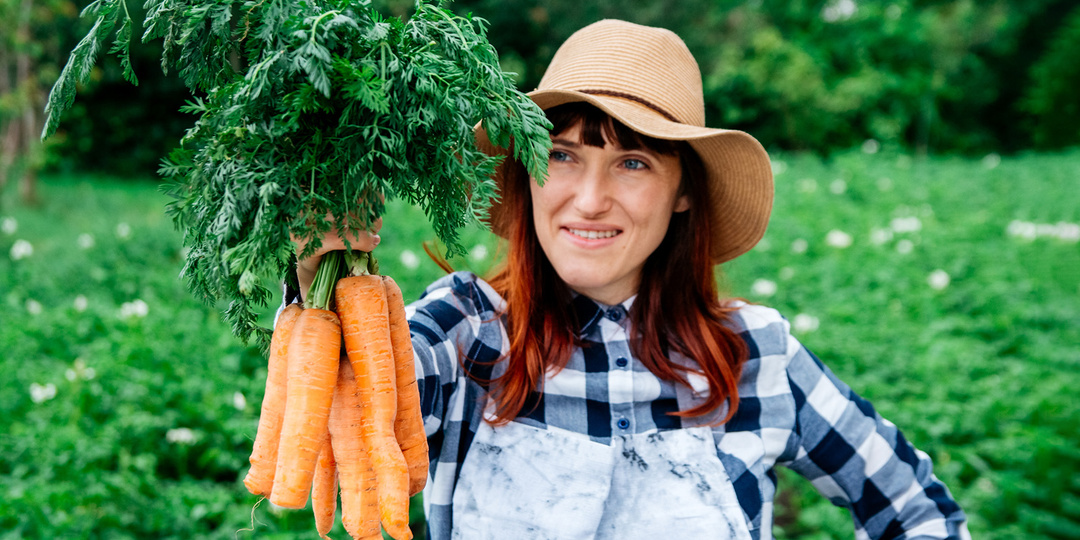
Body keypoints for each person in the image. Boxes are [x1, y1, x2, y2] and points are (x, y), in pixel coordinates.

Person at [292, 19, 970, 540]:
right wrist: (317, 268)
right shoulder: (468, 333)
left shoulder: (755, 355)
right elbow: (345, 398)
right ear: (526, 174)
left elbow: (916, 509)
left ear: (683, 191)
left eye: (634, 163)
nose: (589, 199)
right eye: (561, 155)